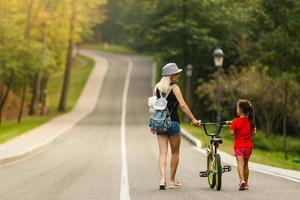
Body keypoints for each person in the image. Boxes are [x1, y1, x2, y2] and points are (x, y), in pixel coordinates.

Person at [151, 63, 200, 190]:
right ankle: (172, 180)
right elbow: (183, 105)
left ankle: (162, 179)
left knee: (162, 153)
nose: (178, 75)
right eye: (177, 73)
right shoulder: (175, 88)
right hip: (173, 123)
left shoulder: (157, 88)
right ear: (171, 75)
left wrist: (153, 123)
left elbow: (154, 107)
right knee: (175, 153)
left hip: (160, 124)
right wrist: (193, 119)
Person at [230, 99, 256, 190]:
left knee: (240, 164)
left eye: (237, 107)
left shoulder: (235, 121)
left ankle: (242, 181)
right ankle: (246, 183)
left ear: (240, 110)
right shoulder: (251, 122)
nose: (236, 109)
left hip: (239, 147)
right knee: (246, 165)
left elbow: (232, 133)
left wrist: (232, 128)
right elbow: (253, 133)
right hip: (248, 147)